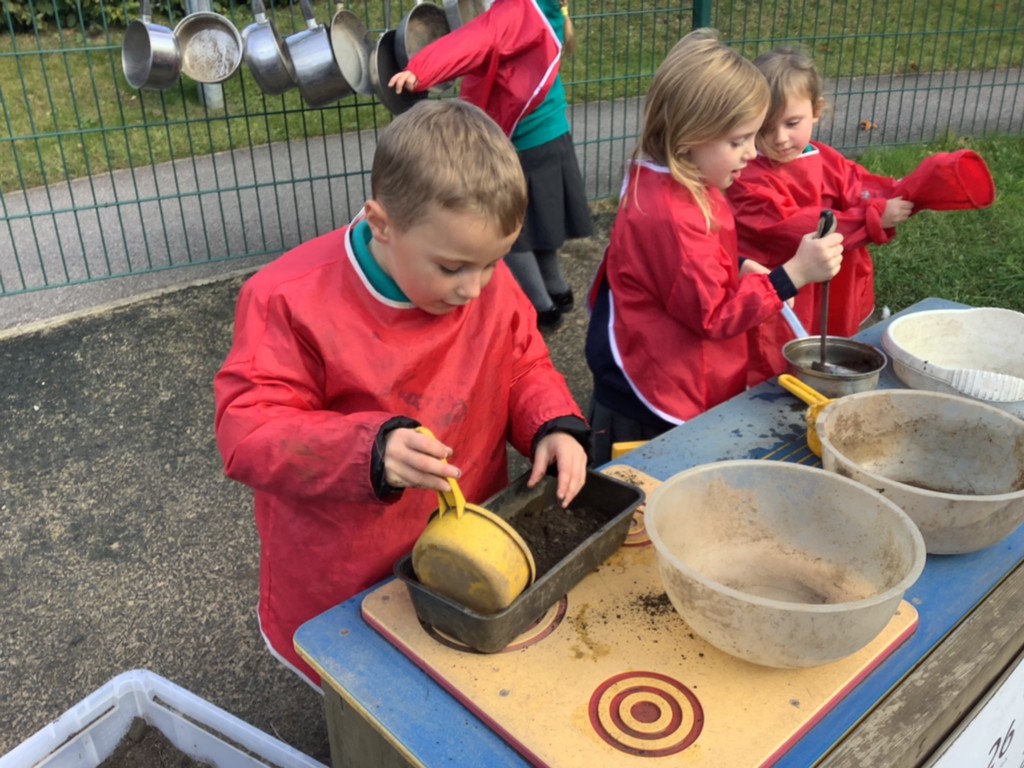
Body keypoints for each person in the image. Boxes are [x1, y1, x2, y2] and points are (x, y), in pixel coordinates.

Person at [213, 99, 590, 687]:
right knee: (361, 693)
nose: (474, 288)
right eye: (452, 268)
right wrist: (368, 450)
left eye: (492, 264)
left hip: (463, 534)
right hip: (343, 563)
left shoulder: (480, 276)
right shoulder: (286, 299)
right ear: (382, 224)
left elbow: (521, 361)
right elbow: (250, 431)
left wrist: (553, 424)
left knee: (443, 676)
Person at [584, 30, 844, 465]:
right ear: (690, 135)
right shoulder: (674, 215)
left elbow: (675, 268)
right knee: (648, 482)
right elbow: (714, 314)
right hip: (655, 392)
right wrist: (791, 275)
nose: (751, 153)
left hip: (649, 356)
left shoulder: (671, 174)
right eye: (738, 141)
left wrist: (737, 265)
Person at [389, 0, 593, 330]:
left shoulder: (514, 11)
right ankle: (558, 289)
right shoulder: (544, 8)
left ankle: (543, 310)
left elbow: (474, 39)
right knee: (543, 222)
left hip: (523, 144)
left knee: (507, 234)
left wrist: (420, 71)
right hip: (553, 136)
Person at [726, 46, 914, 379]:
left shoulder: (824, 157)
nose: (779, 138)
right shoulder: (747, 175)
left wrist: (903, 191)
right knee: (779, 357)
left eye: (792, 123)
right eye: (765, 127)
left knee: (830, 345)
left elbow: (859, 185)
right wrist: (872, 217)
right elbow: (791, 225)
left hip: (828, 282)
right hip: (784, 283)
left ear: (816, 111)